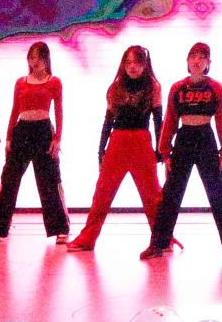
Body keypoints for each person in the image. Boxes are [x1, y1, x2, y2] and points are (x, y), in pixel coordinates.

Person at [143, 41, 222, 259]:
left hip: (206, 138)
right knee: (171, 194)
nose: (197, 61)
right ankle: (158, 244)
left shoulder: (216, 87)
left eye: (202, 57)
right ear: (187, 61)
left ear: (208, 63)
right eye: (193, 57)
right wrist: (165, 151)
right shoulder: (177, 88)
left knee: (219, 192)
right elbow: (170, 120)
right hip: (184, 138)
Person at [66, 45, 163, 252]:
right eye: (128, 63)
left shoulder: (153, 86)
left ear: (145, 64)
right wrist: (101, 150)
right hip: (117, 141)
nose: (132, 67)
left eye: (137, 62)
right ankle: (87, 238)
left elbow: (158, 120)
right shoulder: (115, 88)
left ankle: (162, 238)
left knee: (152, 195)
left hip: (141, 141)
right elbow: (108, 120)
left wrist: (161, 149)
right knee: (102, 193)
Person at [0, 41, 69, 244]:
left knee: (50, 181)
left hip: (43, 132)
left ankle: (61, 228)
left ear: (46, 59)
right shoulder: (21, 82)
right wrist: (9, 138)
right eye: (32, 57)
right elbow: (15, 110)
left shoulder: (54, 82)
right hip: (22, 131)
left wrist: (57, 138)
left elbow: (59, 111)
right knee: (9, 181)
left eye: (39, 57)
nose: (35, 61)